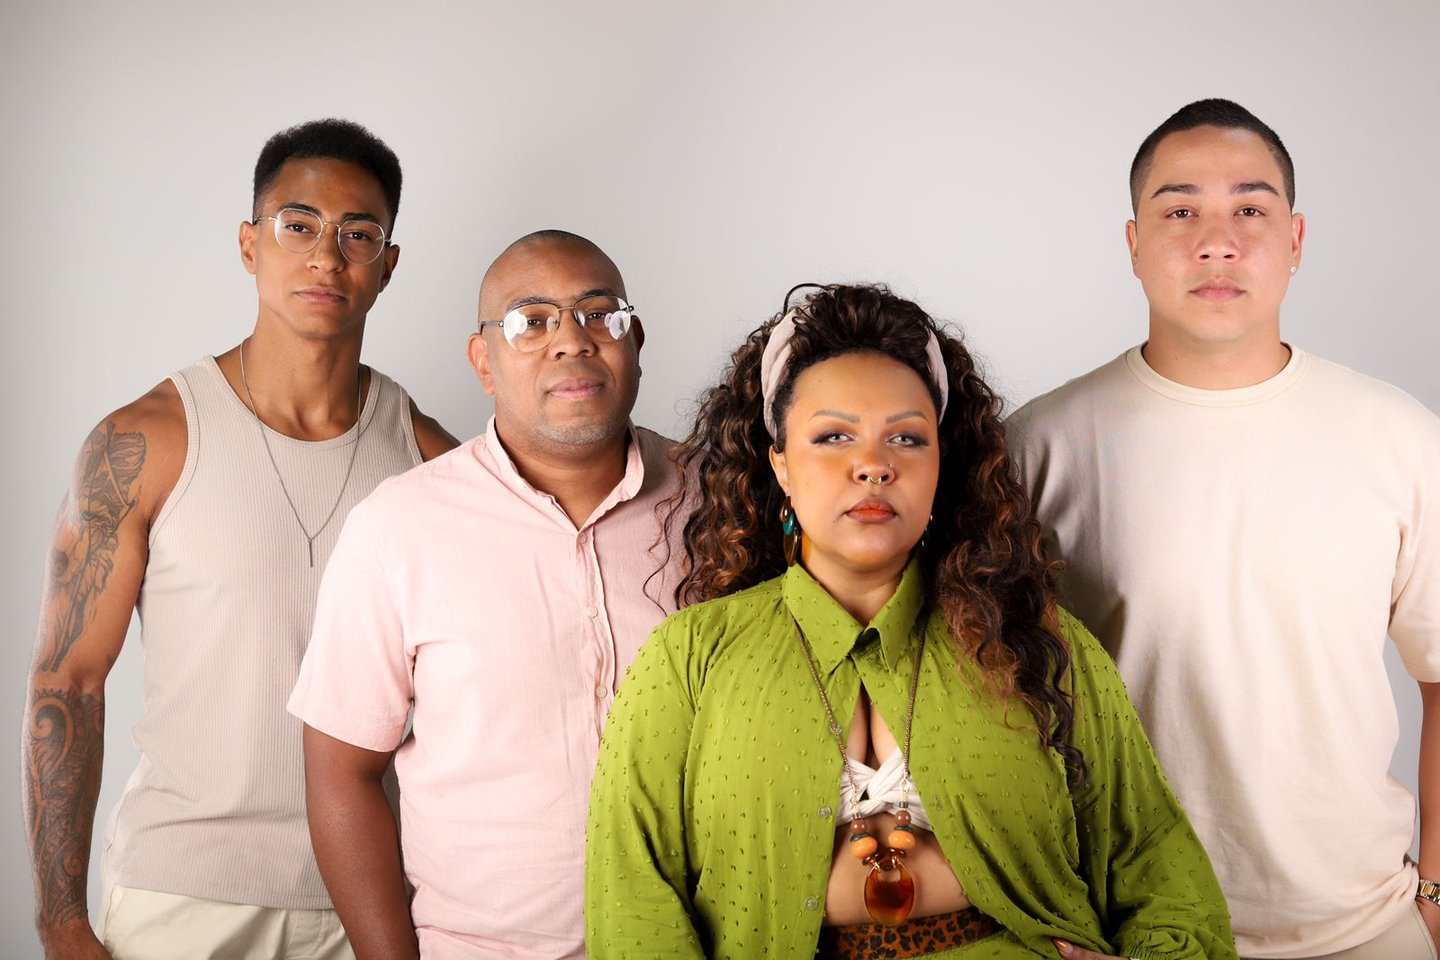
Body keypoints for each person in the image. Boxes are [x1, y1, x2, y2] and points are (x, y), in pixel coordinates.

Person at [585, 283, 1235, 959]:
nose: (873, 465)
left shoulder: (1038, 643)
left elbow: (1158, 859)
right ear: (781, 464)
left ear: (939, 466)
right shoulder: (690, 656)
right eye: (833, 436)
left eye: (906, 438)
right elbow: (632, 896)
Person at [1006, 98, 1440, 959]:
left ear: (1296, 239)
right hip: (1130, 926)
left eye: (1250, 208)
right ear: (1133, 243)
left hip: (1365, 921)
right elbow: (988, 698)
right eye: (1179, 212)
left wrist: (1435, 893)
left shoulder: (1399, 436)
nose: (1217, 242)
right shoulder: (1039, 446)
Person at [21, 118, 456, 960]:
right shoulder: (144, 441)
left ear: (387, 265)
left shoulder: (432, 459)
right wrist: (60, 919)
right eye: (298, 225)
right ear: (250, 245)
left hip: (371, 902)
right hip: (181, 895)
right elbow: (67, 682)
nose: (326, 256)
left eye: (357, 234)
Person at [288, 230, 682, 959]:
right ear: (483, 362)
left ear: (635, 340)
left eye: (600, 314)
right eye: (532, 322)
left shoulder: (721, 504)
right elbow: (341, 772)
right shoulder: (399, 527)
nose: (573, 341)